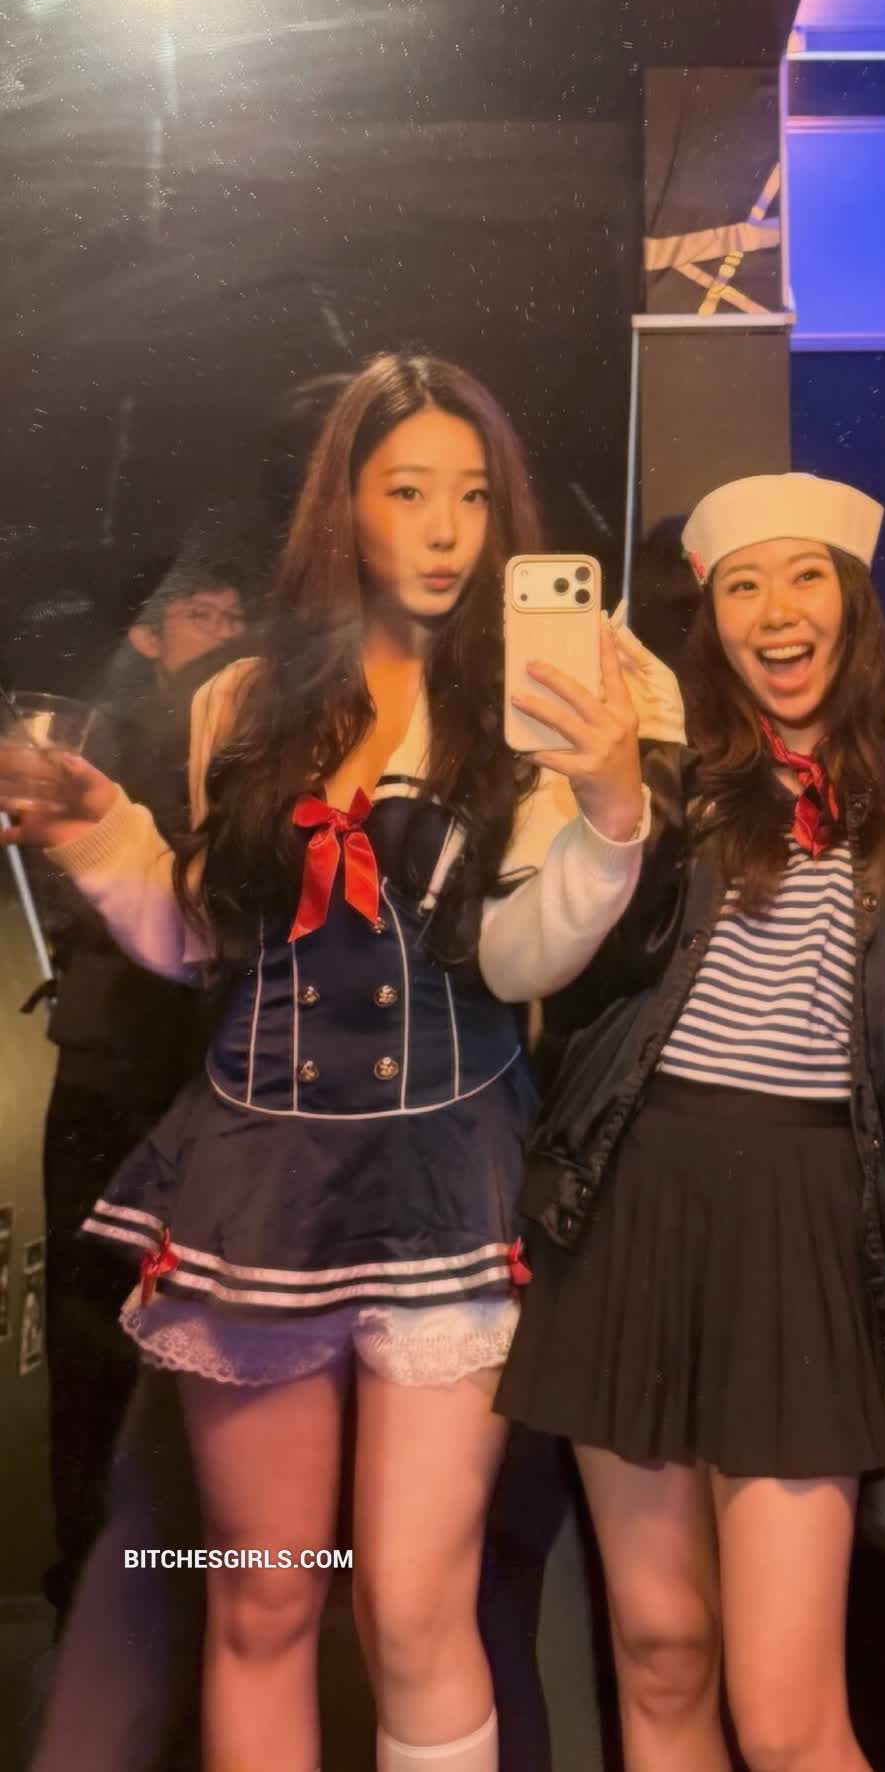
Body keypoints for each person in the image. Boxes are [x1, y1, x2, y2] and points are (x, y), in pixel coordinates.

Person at [3, 351, 662, 1772]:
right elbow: (203, 941)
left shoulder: (525, 706)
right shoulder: (241, 703)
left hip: (445, 1174)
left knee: (416, 1609)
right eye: (407, 492)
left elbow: (517, 959)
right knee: (261, 1603)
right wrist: (99, 833)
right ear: (342, 505)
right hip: (262, 1177)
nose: (445, 530)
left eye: (471, 497)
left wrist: (612, 811)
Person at [496, 473, 885, 1772]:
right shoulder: (663, 786)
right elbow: (569, 979)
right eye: (743, 585)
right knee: (661, 1649)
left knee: (787, 1717)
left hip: (803, 1224)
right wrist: (609, 803)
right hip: (632, 1205)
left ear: (852, 605)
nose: (777, 611)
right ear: (711, 619)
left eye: (805, 577)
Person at [37, 556, 248, 1624]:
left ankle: (198, 1585)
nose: (224, 631)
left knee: (201, 1337)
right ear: (149, 635)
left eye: (236, 615)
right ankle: (90, 1581)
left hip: (203, 1074)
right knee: (92, 1332)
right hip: (110, 1065)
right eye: (199, 614)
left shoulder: (248, 740)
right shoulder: (92, 739)